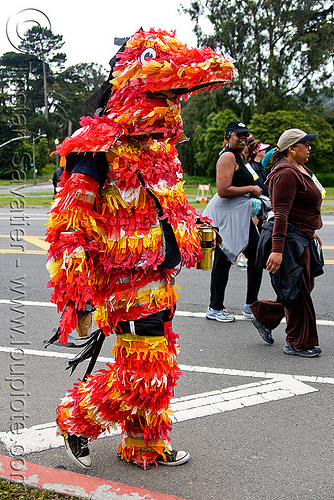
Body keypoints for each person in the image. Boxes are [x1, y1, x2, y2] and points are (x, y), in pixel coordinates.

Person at [45, 29, 235, 470]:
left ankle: (143, 443)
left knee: (158, 359)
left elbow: (171, 203)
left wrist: (196, 226)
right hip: (125, 281)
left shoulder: (160, 150)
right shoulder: (96, 147)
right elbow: (70, 223)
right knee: (145, 368)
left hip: (162, 277)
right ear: (127, 81)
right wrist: (76, 298)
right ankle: (76, 417)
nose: (172, 104)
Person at [250, 128, 324, 357]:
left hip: (302, 236)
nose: (309, 148)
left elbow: (301, 207)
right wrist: (278, 250)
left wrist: (311, 231)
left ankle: (265, 314)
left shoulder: (300, 169)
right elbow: (281, 214)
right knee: (299, 291)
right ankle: (297, 342)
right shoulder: (285, 173)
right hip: (290, 239)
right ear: (292, 149)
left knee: (301, 287)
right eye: (305, 144)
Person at [203, 120, 264, 321]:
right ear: (228, 136)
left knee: (256, 256)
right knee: (224, 258)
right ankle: (215, 307)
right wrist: (251, 190)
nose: (243, 137)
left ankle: (251, 304)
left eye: (246, 134)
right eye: (239, 134)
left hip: (240, 216)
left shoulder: (241, 156)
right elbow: (223, 190)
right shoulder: (228, 157)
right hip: (227, 217)